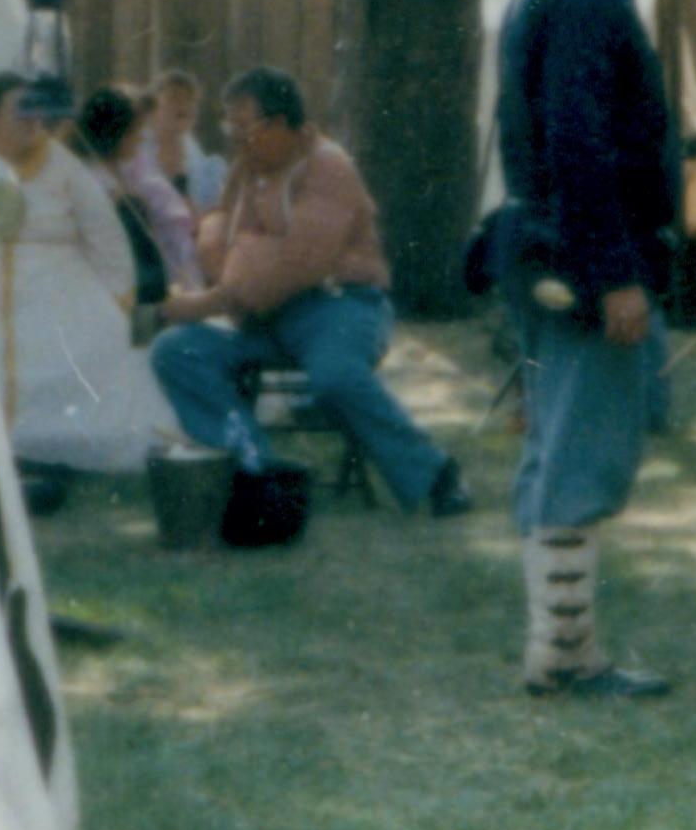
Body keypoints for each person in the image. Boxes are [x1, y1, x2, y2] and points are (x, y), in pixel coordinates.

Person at [489, 0, 696, 698]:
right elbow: (580, 146)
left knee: (557, 450)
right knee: (581, 456)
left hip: (552, 255)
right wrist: (616, 273)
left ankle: (559, 647)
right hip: (581, 268)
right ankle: (566, 658)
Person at [147, 68, 472, 517]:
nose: (236, 140)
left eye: (245, 129)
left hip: (339, 306)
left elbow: (298, 263)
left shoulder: (327, 166)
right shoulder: (247, 168)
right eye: (230, 128)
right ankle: (258, 466)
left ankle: (435, 473)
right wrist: (244, 250)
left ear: (280, 125)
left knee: (334, 374)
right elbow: (217, 235)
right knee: (175, 350)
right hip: (265, 315)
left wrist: (209, 295)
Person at [0, 70, 185, 476]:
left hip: (56, 283)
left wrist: (117, 301)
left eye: (38, 112)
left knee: (98, 347)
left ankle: (53, 450)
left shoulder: (60, 164)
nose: (33, 121)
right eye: (20, 112)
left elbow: (107, 238)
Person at [69, 84, 190, 306]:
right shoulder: (90, 179)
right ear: (119, 135)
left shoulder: (129, 171)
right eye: (137, 132)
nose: (141, 139)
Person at [148, 68, 226, 212]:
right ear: (153, 106)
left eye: (190, 100)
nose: (184, 105)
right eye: (174, 98)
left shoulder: (193, 150)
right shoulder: (136, 144)